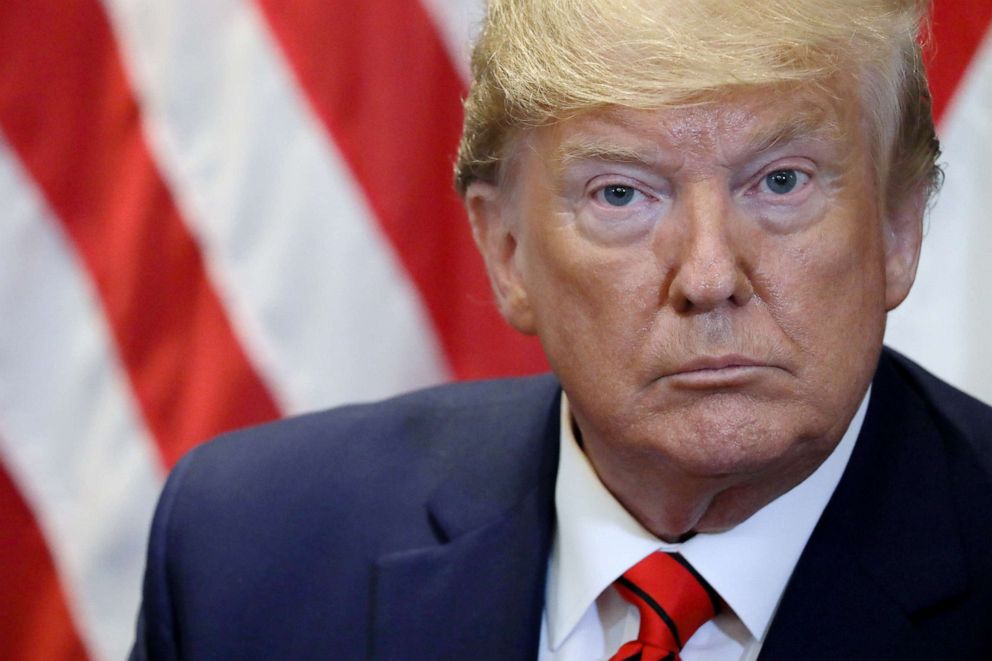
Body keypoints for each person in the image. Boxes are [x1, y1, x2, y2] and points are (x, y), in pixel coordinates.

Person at [131, 1, 992, 659]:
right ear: (507, 251)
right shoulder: (252, 555)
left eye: (781, 182)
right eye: (621, 193)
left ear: (898, 228)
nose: (708, 276)